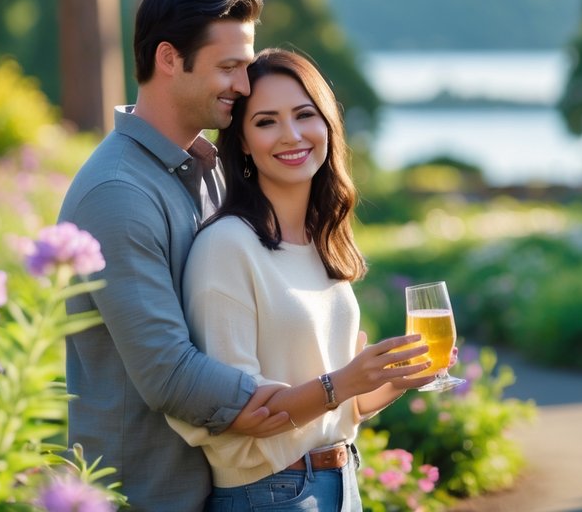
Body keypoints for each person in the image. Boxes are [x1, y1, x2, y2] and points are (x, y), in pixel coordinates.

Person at [59, 0, 298, 511]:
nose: (244, 84)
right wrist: (315, 399)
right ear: (170, 59)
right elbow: (168, 372)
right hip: (145, 495)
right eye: (229, 67)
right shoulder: (118, 194)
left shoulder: (205, 167)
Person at [167, 49, 442, 511]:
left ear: (328, 125)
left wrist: (397, 378)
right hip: (269, 493)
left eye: (304, 115)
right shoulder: (226, 247)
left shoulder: (321, 242)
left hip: (341, 480)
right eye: (267, 121)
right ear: (243, 143)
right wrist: (345, 380)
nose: (291, 135)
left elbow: (343, 407)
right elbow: (237, 412)